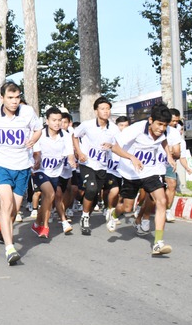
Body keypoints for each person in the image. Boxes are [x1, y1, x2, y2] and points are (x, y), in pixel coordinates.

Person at [0, 81, 43, 265]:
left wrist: (32, 140)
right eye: (10, 98)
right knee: (7, 203)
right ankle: (10, 248)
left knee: (13, 209)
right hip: (1, 165)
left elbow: (38, 129)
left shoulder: (28, 112)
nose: (15, 101)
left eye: (17, 97)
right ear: (2, 98)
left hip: (22, 166)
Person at [106, 104, 172, 255]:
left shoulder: (163, 131)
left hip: (150, 171)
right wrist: (132, 158)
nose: (162, 129)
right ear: (150, 120)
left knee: (161, 201)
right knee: (127, 208)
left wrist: (168, 154)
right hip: (130, 172)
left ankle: (158, 243)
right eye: (159, 124)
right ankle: (114, 214)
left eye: (165, 125)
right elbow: (115, 148)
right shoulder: (135, 129)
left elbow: (164, 140)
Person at [72, 97, 119, 236]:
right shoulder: (87, 125)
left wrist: (112, 146)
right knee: (91, 188)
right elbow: (75, 136)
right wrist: (79, 152)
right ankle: (85, 218)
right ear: (96, 111)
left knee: (93, 195)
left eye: (108, 109)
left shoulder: (114, 129)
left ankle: (85, 214)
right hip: (87, 163)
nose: (106, 111)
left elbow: (119, 146)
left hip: (102, 166)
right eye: (102, 109)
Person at [30, 107, 76, 239]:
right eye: (54, 120)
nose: (57, 123)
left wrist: (72, 160)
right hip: (40, 170)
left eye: (59, 120)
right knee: (50, 194)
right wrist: (37, 160)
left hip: (55, 172)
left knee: (47, 199)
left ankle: (37, 223)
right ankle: (45, 226)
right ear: (47, 121)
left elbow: (70, 153)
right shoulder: (40, 134)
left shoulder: (66, 136)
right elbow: (36, 152)